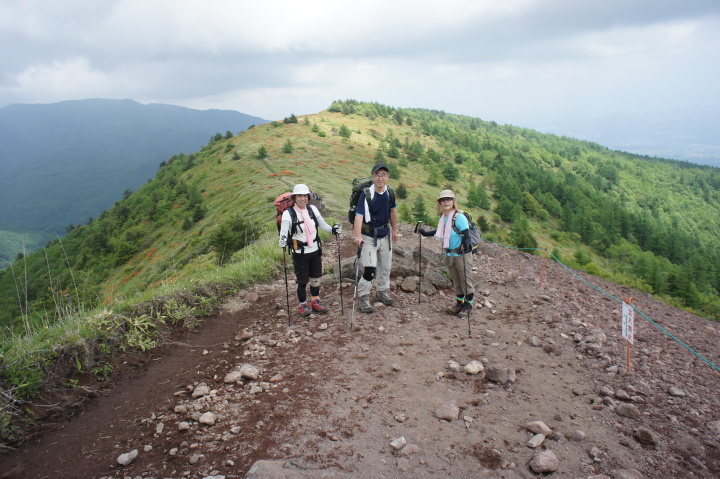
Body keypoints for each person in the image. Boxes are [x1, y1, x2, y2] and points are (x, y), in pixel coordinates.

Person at [279, 184, 341, 317]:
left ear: (308, 197)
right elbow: (284, 233)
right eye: (299, 196)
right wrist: (283, 241)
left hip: (315, 250)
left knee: (315, 278)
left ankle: (315, 302)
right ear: (294, 198)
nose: (302, 198)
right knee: (302, 281)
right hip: (300, 253)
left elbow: (323, 225)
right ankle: (302, 305)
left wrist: (333, 230)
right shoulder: (288, 214)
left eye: (305, 196)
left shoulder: (312, 209)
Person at [416, 190, 475, 318]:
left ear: (454, 201)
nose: (446, 202)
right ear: (440, 203)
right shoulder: (444, 218)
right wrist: (425, 233)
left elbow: (466, 235)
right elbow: (439, 231)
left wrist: (466, 244)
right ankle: (460, 304)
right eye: (443, 200)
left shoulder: (459, 217)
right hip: (450, 254)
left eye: (449, 199)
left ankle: (468, 306)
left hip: (462, 254)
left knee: (465, 280)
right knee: (456, 280)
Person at [353, 163, 398, 313]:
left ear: (387, 177)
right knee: (370, 269)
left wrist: (395, 231)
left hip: (385, 235)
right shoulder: (365, 195)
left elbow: (392, 212)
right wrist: (358, 236)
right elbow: (358, 217)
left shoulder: (389, 192)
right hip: (369, 236)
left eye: (383, 174)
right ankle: (364, 297)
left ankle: (381, 291)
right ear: (372, 176)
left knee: (385, 267)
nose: (380, 178)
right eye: (377, 174)